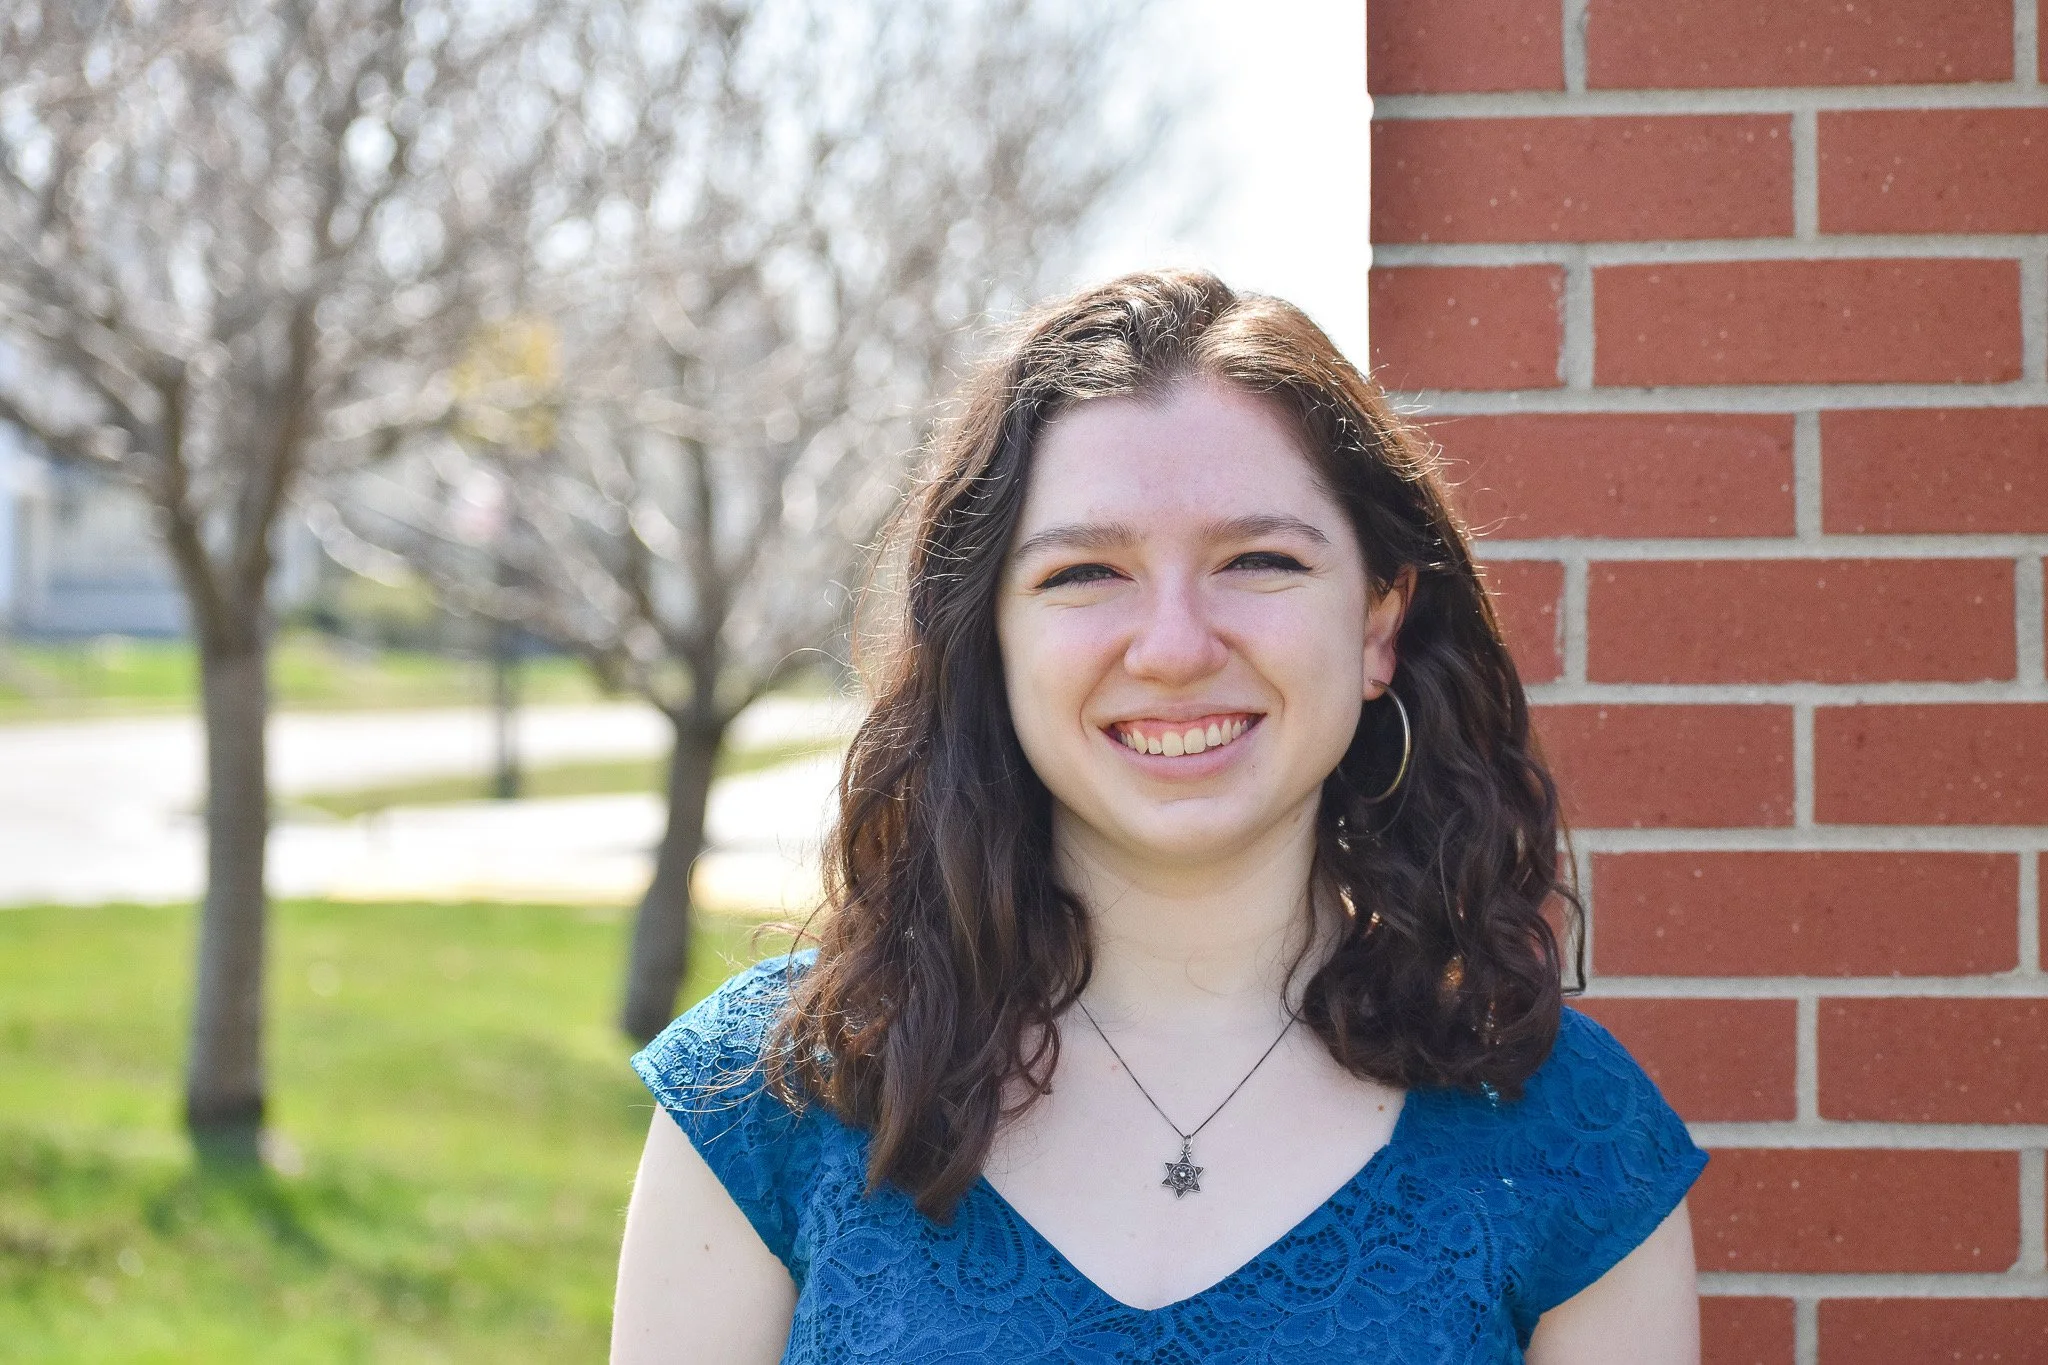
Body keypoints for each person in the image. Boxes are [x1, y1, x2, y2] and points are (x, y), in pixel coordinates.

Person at [611, 269, 1705, 1363]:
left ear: (1379, 623)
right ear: (990, 637)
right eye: (1086, 572)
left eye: (1259, 561)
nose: (1175, 648)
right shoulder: (769, 1096)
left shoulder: (1568, 1134)